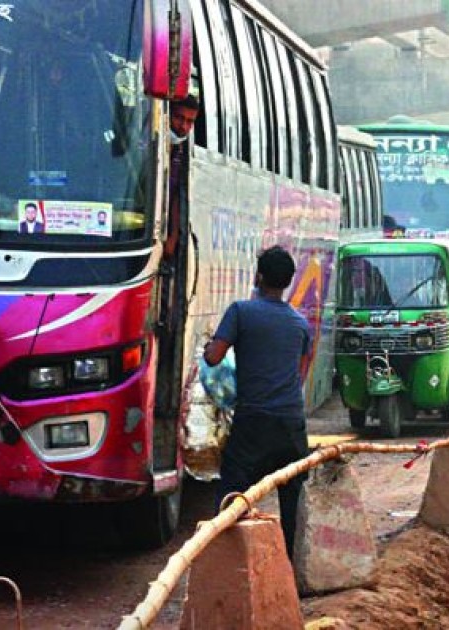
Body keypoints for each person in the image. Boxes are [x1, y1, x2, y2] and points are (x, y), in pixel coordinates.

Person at [203, 246, 313, 558]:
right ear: (288, 282)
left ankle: (225, 561)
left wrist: (210, 345)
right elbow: (300, 376)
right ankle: (289, 571)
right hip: (292, 424)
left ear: (259, 276)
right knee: (293, 500)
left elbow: (214, 357)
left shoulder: (241, 311)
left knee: (232, 497)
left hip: (253, 421)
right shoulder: (301, 325)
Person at [165, 95, 199, 258]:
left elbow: (179, 195)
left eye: (190, 122)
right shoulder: (144, 141)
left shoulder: (182, 153)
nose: (183, 127)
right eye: (179, 118)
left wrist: (172, 238)